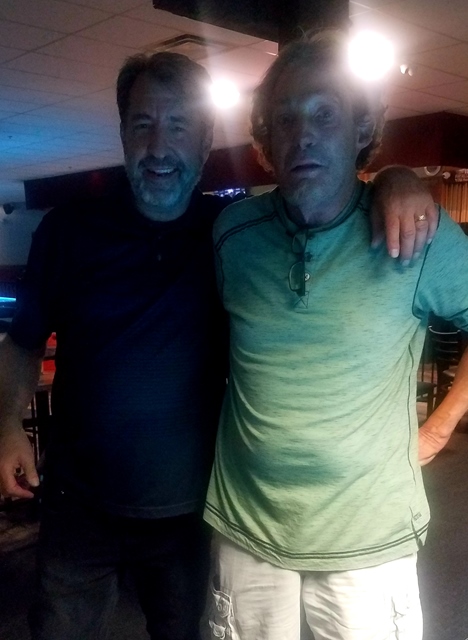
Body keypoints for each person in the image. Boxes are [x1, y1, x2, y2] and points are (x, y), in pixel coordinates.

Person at [0, 51, 436, 640]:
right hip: (77, 505)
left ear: (205, 142)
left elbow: (328, 195)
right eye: (143, 124)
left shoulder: (234, 232)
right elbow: (22, 342)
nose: (159, 147)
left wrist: (395, 178)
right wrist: (6, 425)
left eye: (179, 126)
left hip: (191, 511)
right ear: (122, 132)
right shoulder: (67, 230)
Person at [203, 30, 468, 640]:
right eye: (285, 118)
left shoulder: (422, 234)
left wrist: (440, 425)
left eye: (324, 113)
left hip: (370, 540)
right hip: (248, 531)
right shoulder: (232, 235)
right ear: (266, 139)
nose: (303, 135)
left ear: (360, 128)